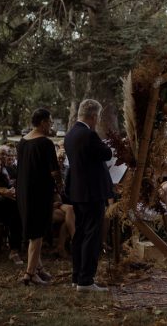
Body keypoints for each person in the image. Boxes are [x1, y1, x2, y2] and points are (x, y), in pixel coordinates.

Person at [64, 99, 112, 292]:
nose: (98, 120)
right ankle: (86, 280)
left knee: (80, 234)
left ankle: (77, 277)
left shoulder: (70, 134)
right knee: (92, 235)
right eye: (98, 117)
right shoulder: (89, 135)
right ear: (93, 116)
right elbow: (107, 153)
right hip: (92, 192)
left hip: (77, 191)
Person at [17, 108, 63, 286]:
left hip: (23, 191)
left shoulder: (22, 142)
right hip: (39, 192)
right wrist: (60, 186)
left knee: (32, 231)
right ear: (43, 122)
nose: (51, 125)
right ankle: (29, 274)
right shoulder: (45, 143)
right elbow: (54, 171)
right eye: (50, 121)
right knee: (37, 233)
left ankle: (39, 268)